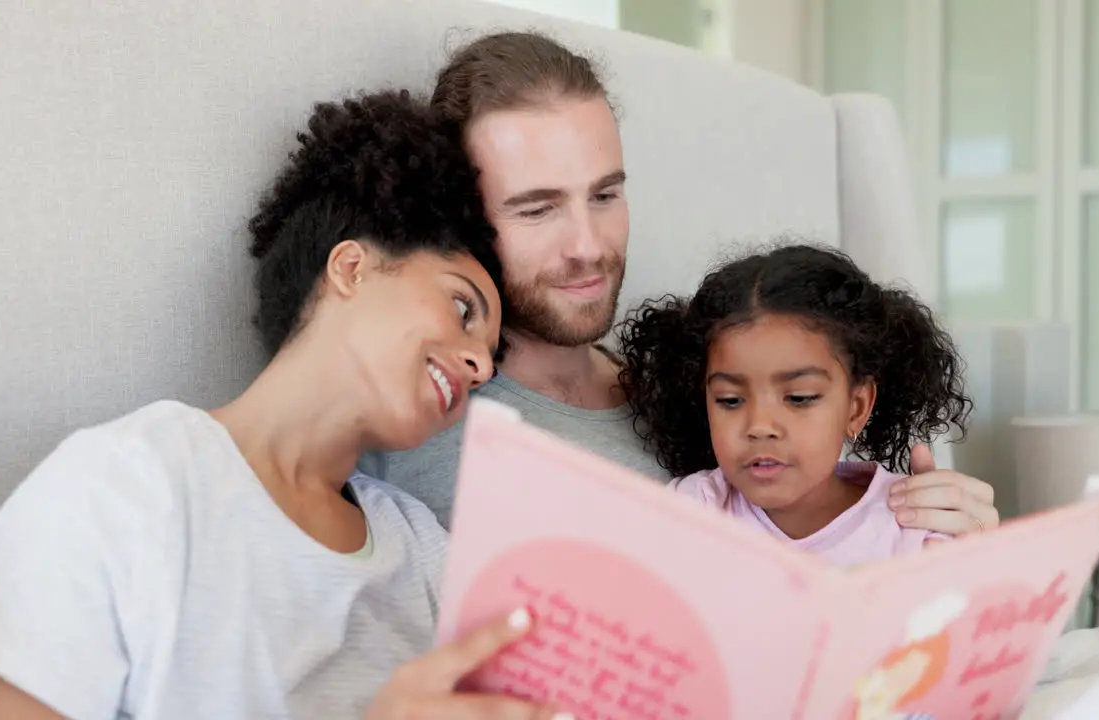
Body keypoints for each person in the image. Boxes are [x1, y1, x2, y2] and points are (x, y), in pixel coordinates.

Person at [0, 90, 567, 720]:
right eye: (461, 308)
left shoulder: (424, 554)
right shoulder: (127, 483)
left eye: (488, 360)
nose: (477, 366)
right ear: (352, 268)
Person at [367, 32, 1000, 540]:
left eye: (606, 194)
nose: (588, 246)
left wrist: (943, 529)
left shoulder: (696, 389)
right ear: (461, 217)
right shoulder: (419, 423)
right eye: (537, 210)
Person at [616, 243, 972, 563]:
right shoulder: (690, 513)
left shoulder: (914, 524)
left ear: (857, 407)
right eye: (730, 400)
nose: (759, 425)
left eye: (799, 398)